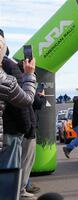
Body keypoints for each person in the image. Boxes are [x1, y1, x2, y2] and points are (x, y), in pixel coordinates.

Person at [0, 29, 37, 171]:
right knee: (7, 183)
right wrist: (29, 75)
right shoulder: (5, 78)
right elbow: (26, 100)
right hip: (9, 133)